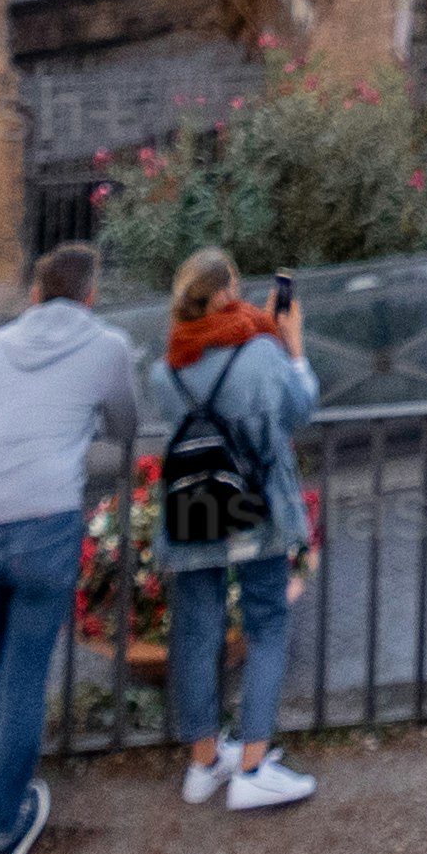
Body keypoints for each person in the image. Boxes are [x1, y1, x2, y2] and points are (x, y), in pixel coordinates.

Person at [0, 240, 146, 854]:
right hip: (45, 524)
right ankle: (6, 831)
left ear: (33, 294)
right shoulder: (108, 346)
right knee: (26, 673)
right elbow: (126, 426)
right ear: (90, 296)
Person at [159, 241, 320, 812]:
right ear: (227, 294)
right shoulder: (260, 352)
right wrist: (293, 345)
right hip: (255, 505)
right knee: (267, 622)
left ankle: (206, 763)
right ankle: (252, 765)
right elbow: (301, 408)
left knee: (197, 630)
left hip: (194, 506)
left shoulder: (168, 366)